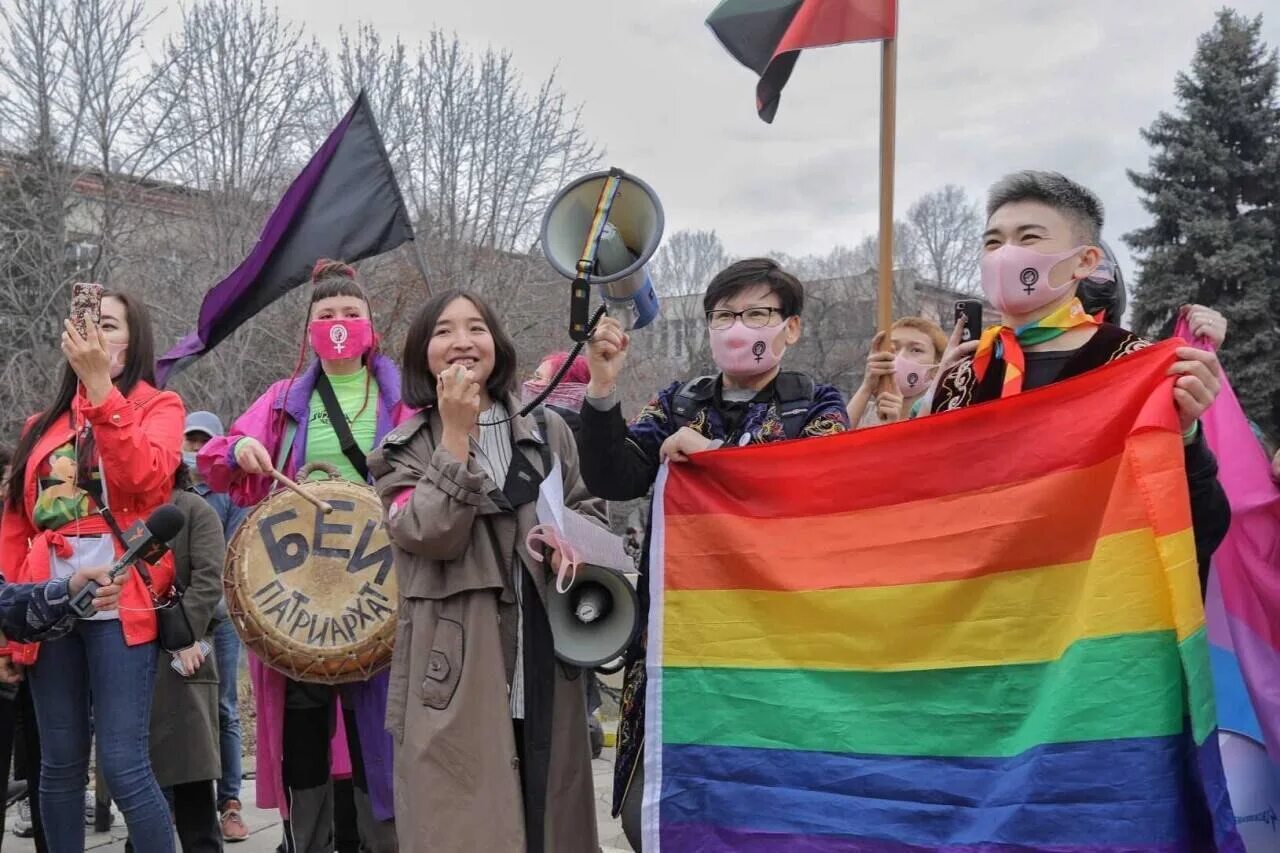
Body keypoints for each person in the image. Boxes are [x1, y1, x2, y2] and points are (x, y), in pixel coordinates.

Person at [577, 257, 850, 849]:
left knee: (770, 810)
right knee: (650, 808)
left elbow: (816, 492)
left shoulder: (819, 405)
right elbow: (613, 475)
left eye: (757, 313)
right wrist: (602, 386)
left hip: (777, 647)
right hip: (676, 642)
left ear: (791, 327)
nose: (738, 327)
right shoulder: (678, 401)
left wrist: (717, 455)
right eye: (724, 314)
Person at [368, 289, 602, 852]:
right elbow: (431, 533)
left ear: (497, 343)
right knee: (468, 823)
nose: (462, 342)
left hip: (545, 658)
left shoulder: (547, 432)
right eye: (444, 331)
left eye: (476, 328)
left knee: (550, 816)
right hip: (455, 670)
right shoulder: (402, 450)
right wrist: (454, 433)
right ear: (424, 354)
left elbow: (585, 509)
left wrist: (574, 544)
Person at [931, 170, 1231, 587]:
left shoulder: (1136, 367)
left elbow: (1200, 531)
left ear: (1085, 261)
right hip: (982, 622)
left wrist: (1185, 436)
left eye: (1029, 237)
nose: (1005, 254)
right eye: (993, 242)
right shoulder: (963, 377)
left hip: (1091, 622)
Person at [197, 260, 397, 853]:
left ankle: (380, 840)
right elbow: (215, 457)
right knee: (305, 732)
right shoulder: (284, 398)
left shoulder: (406, 398)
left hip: (383, 587)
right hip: (301, 591)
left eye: (351, 314)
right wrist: (244, 448)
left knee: (378, 732)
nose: (339, 324)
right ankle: (307, 842)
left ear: (372, 325)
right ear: (308, 328)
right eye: (326, 315)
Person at [0, 288, 183, 853]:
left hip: (119, 599)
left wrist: (103, 391)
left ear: (135, 340)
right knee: (57, 765)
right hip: (47, 599)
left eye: (110, 325)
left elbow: (145, 481)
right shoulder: (41, 423)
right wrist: (9, 630)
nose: (96, 335)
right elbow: (15, 527)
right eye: (88, 323)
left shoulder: (160, 407)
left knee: (125, 765)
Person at [125, 465, 226, 853]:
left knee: (193, 783)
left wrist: (184, 633)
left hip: (182, 659)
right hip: (129, 656)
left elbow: (208, 579)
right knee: (139, 782)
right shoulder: (121, 511)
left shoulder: (194, 510)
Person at [182, 410, 250, 842]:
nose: (194, 449)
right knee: (183, 711)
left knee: (223, 708)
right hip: (173, 619)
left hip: (218, 619)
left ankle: (230, 804)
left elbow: (233, 557)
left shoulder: (229, 494)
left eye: (202, 441)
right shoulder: (170, 490)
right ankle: (181, 803)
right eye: (189, 440)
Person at [846, 317, 949, 427]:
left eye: (916, 350)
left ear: (936, 367)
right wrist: (866, 387)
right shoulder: (863, 412)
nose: (900, 357)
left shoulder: (943, 416)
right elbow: (836, 436)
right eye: (893, 348)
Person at [521, 350, 591, 436]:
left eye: (538, 378)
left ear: (564, 389)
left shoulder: (542, 421)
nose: (529, 383)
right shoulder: (596, 422)